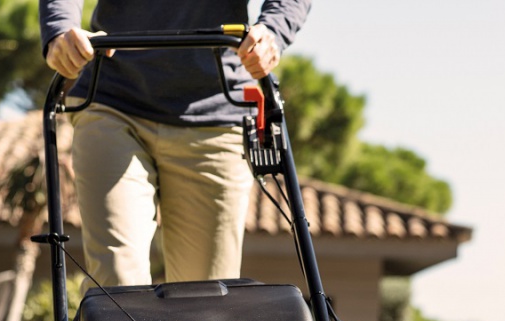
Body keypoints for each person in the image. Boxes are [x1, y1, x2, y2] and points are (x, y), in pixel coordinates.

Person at [39, 1, 311, 286]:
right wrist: (59, 30)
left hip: (215, 115)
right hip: (112, 100)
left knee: (206, 298)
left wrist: (273, 30)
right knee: (117, 284)